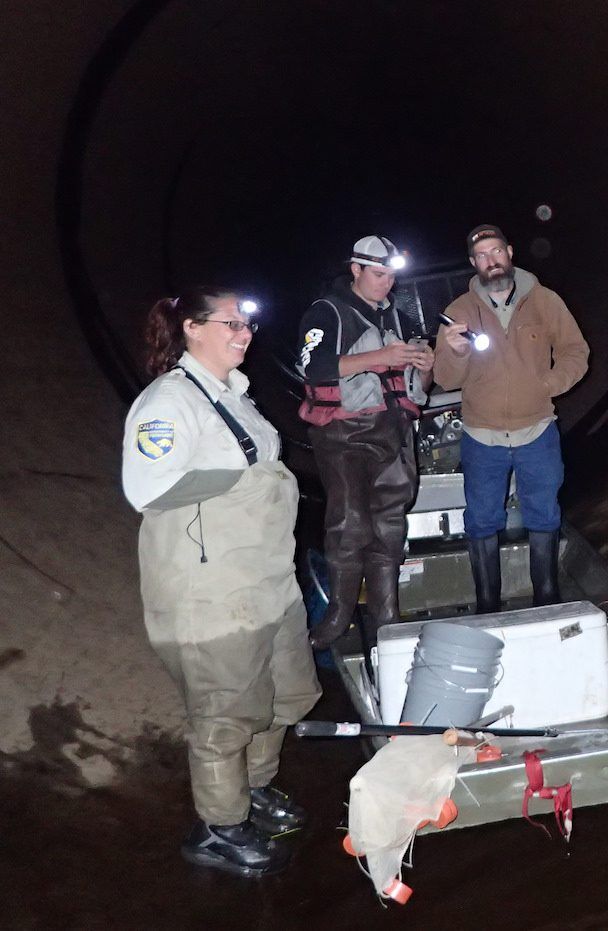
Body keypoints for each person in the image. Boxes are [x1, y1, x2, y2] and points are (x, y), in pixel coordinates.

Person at [122, 288, 320, 878]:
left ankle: (252, 789)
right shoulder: (168, 402)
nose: (245, 333)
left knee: (286, 695)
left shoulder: (235, 396)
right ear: (192, 329)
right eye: (231, 322)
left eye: (249, 323)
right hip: (211, 593)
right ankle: (218, 826)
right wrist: (235, 478)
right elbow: (147, 488)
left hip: (267, 582)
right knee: (225, 715)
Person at [433, 224, 588, 612]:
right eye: (482, 256)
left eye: (496, 251)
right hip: (482, 436)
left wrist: (550, 383)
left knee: (544, 512)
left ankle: (547, 597)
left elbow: (575, 351)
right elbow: (445, 378)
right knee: (482, 519)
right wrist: (453, 350)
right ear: (474, 263)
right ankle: (487, 602)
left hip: (537, 429)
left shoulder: (545, 301)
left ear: (510, 252)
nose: (492, 260)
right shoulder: (457, 313)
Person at [297, 235, 432, 650]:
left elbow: (414, 383)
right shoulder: (327, 312)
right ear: (355, 270)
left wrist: (425, 367)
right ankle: (338, 615)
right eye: (378, 274)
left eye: (391, 275)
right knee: (349, 523)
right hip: (344, 435)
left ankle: (386, 613)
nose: (386, 283)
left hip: (392, 430)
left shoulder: (397, 316)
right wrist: (380, 358)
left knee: (390, 525)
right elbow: (313, 366)